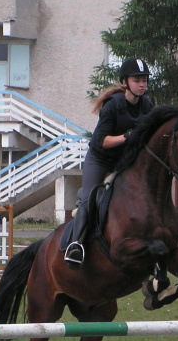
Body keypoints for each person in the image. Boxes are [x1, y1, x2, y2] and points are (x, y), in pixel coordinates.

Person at [64, 58, 154, 269]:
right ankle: (75, 245)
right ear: (125, 82)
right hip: (100, 160)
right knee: (90, 197)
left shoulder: (147, 105)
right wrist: (127, 136)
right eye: (137, 80)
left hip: (124, 163)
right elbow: (101, 141)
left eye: (144, 80)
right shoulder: (112, 107)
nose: (142, 84)